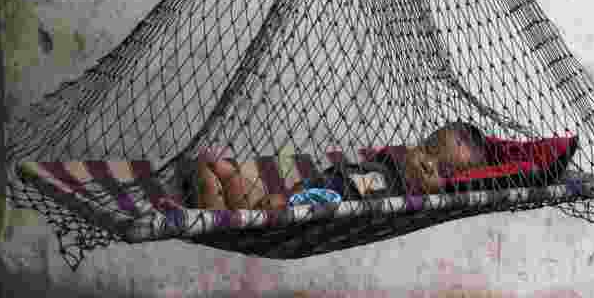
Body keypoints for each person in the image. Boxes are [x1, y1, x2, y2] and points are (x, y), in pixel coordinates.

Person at [192, 121, 490, 209]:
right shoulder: (385, 176)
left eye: (443, 170)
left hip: (307, 206)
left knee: (251, 203)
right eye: (428, 150)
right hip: (303, 200)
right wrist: (292, 197)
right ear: (412, 147)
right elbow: (340, 183)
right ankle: (220, 178)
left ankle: (216, 181)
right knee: (260, 204)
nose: (428, 165)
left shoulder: (409, 200)